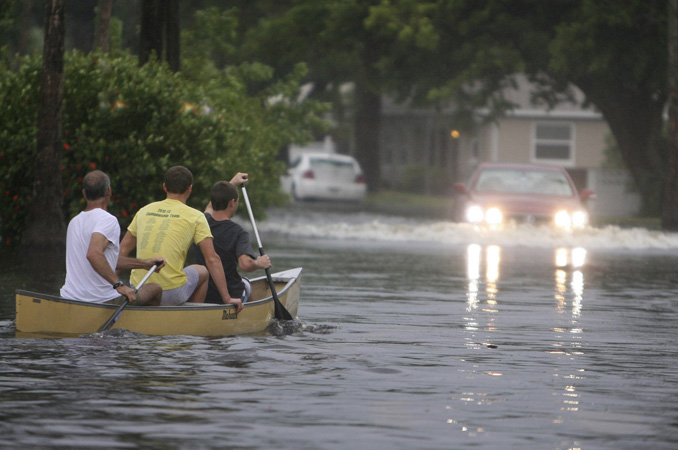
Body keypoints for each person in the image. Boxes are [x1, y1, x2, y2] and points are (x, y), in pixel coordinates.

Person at [119, 166, 246, 311]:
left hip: (137, 288)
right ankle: (191, 315)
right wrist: (227, 298)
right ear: (190, 189)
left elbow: (122, 250)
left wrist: (115, 286)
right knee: (202, 271)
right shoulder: (196, 216)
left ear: (164, 187)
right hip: (171, 294)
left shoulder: (144, 211)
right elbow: (212, 259)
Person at [60, 170, 165, 306]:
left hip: (69, 297)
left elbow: (105, 260)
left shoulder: (74, 221)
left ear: (84, 193)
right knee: (155, 289)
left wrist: (144, 264)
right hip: (101, 300)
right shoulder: (108, 220)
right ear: (109, 191)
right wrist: (118, 285)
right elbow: (93, 254)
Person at [195, 180, 272, 304]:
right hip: (229, 295)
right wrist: (259, 262)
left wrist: (233, 182)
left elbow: (210, 206)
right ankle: (251, 315)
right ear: (232, 202)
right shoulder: (239, 233)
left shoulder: (201, 222)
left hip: (202, 291)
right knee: (246, 284)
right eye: (237, 201)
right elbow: (245, 265)